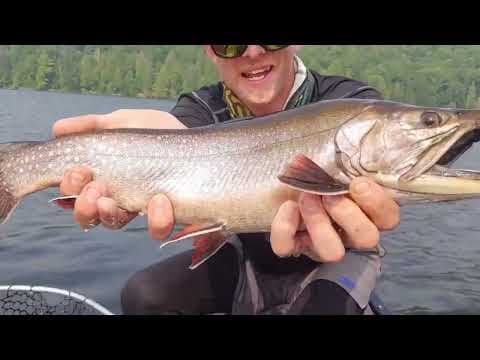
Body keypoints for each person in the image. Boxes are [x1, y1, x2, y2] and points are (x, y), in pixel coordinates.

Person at [53, 45, 400, 315]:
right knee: (144, 295)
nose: (252, 52)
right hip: (246, 251)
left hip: (337, 257)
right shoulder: (203, 108)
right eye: (230, 44)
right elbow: (176, 138)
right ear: (210, 51)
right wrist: (129, 176)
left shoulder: (350, 103)